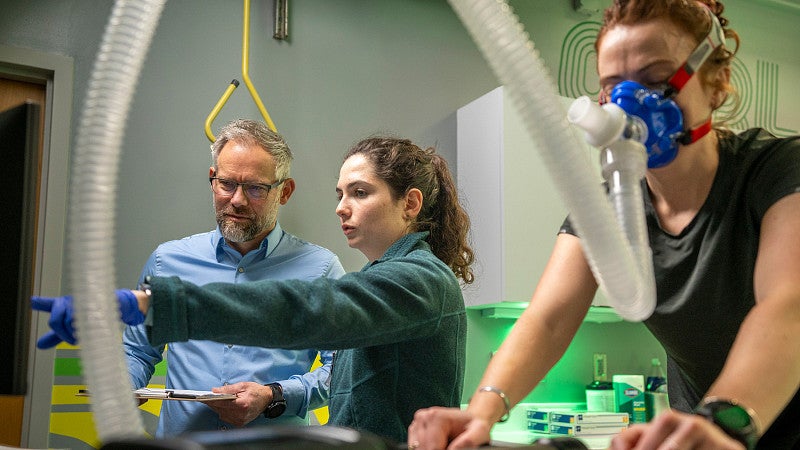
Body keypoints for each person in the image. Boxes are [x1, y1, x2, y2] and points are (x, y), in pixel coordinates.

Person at [406, 1, 800, 449]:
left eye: (654, 80)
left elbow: (788, 305)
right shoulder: (608, 206)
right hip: (694, 438)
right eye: (614, 88)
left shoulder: (778, 172)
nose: (631, 105)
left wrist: (726, 422)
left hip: (738, 425)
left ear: (716, 83)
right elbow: (548, 320)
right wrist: (480, 414)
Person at [33, 136, 475, 443]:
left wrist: (155, 302)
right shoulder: (392, 275)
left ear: (410, 204)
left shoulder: (418, 280)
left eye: (360, 192)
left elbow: (307, 311)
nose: (341, 207)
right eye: (341, 192)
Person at [123, 119, 346, 436]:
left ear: (285, 192)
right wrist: (124, 387)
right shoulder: (166, 262)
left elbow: (341, 369)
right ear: (212, 179)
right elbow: (138, 351)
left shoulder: (320, 270)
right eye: (227, 184)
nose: (237, 200)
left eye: (255, 188)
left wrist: (273, 395)